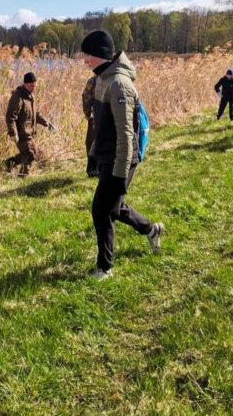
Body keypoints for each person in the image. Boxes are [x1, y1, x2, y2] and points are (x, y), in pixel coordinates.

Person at [80, 30, 164, 281]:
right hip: (108, 155)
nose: (85, 60)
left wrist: (119, 173)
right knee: (114, 208)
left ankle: (104, 268)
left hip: (123, 158)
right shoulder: (102, 79)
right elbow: (100, 125)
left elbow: (126, 134)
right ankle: (151, 230)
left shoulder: (119, 84)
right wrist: (93, 154)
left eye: (87, 54)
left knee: (101, 210)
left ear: (100, 54)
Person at [4, 72, 55, 176]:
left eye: (35, 85)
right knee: (30, 154)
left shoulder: (31, 96)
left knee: (30, 154)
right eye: (31, 85)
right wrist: (13, 133)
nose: (33, 88)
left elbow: (35, 114)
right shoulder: (18, 96)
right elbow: (10, 116)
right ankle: (22, 176)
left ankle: (8, 164)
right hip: (21, 133)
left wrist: (46, 123)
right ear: (25, 84)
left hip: (29, 133)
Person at [82, 75, 100, 177]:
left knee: (92, 142)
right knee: (92, 142)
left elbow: (86, 97)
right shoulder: (94, 80)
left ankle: (94, 170)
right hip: (97, 116)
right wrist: (89, 114)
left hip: (97, 116)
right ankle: (94, 170)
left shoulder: (93, 80)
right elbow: (86, 96)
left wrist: (88, 113)